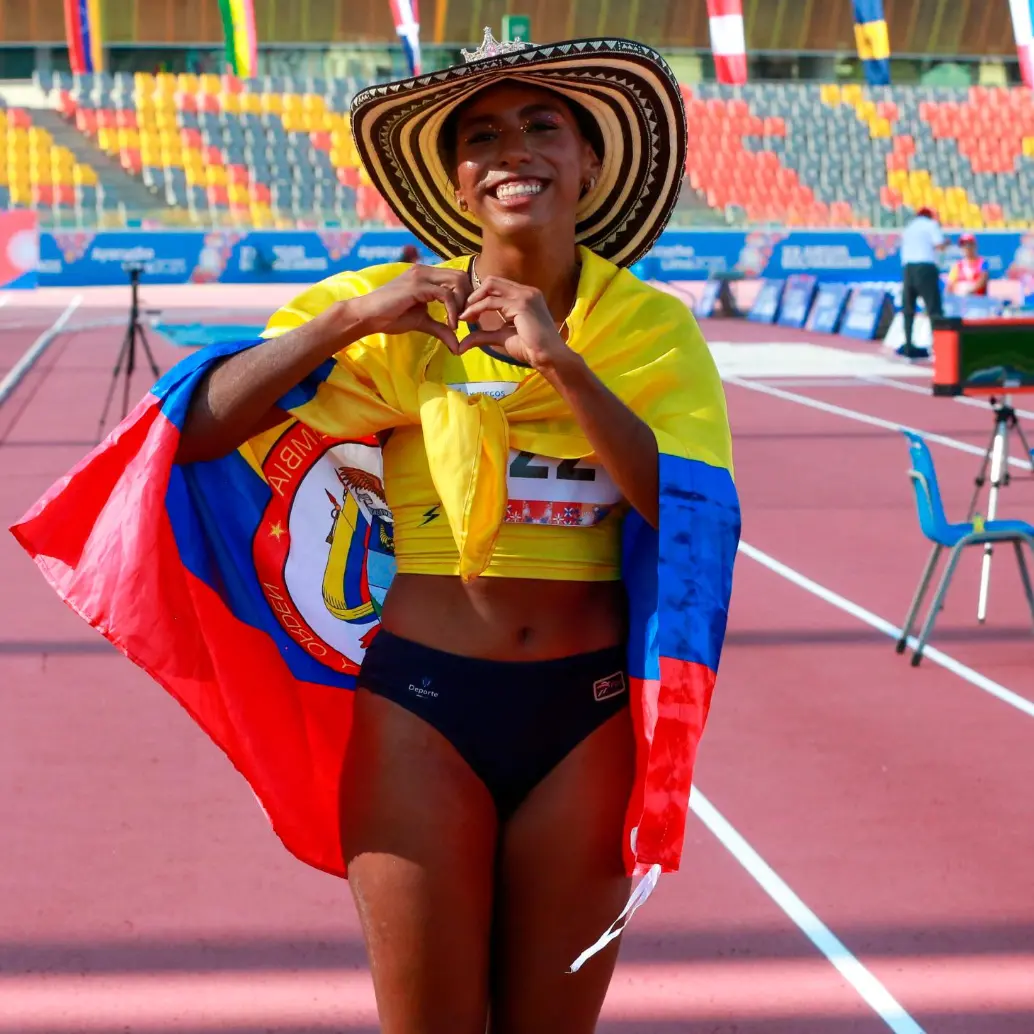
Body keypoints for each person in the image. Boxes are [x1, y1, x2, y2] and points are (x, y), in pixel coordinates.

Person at [11, 29, 739, 1034]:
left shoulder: (650, 331)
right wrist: (352, 318)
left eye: (541, 125)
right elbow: (196, 425)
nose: (512, 150)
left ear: (590, 160)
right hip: (421, 710)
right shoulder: (409, 317)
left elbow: (684, 510)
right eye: (480, 136)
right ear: (456, 180)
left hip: (588, 717)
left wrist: (561, 364)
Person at [898, 206, 947, 359]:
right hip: (925, 267)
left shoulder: (909, 227)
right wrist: (947, 242)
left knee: (908, 309)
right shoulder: (930, 225)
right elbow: (939, 245)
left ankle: (908, 343)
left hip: (908, 269)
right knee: (934, 309)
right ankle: (938, 347)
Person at [946, 232, 990, 297]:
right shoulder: (957, 265)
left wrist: (968, 290)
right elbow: (950, 284)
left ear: (975, 246)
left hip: (979, 302)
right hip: (960, 301)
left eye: (969, 244)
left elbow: (983, 280)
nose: (967, 247)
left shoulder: (983, 262)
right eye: (964, 245)